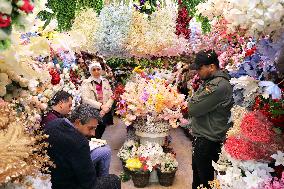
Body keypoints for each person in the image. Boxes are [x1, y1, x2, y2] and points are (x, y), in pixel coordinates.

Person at [44, 104, 121, 189]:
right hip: (66, 184)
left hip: (51, 177)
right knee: (114, 179)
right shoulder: (79, 142)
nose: (93, 134)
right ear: (78, 122)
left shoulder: (53, 123)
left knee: (104, 151)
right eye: (90, 128)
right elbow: (89, 183)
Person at [187, 50, 233, 189]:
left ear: (211, 67)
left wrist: (192, 101)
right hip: (204, 137)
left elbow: (192, 108)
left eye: (200, 68)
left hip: (208, 140)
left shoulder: (218, 85)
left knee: (205, 182)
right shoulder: (211, 81)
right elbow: (193, 103)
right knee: (198, 181)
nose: (197, 72)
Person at [41, 90, 111, 177]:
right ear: (61, 103)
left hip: (67, 157)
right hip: (65, 163)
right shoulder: (53, 120)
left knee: (104, 148)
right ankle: (104, 178)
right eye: (69, 105)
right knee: (105, 151)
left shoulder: (55, 116)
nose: (70, 109)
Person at [81, 61, 114, 139]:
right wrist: (100, 106)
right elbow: (85, 99)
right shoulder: (86, 83)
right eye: (94, 69)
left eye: (98, 69)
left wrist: (106, 108)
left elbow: (111, 96)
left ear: (101, 70)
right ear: (90, 71)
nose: (96, 71)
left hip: (105, 111)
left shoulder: (105, 82)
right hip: (93, 112)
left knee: (102, 130)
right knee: (94, 133)